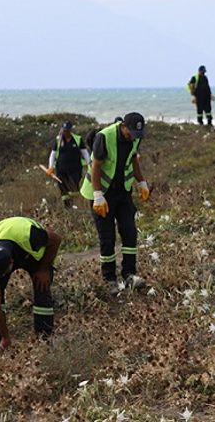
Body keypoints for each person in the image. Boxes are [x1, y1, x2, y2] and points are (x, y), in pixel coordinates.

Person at [80, 112, 150, 294]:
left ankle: (129, 274)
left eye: (136, 134)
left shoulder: (135, 138)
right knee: (107, 237)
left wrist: (141, 182)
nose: (132, 137)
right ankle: (109, 278)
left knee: (129, 231)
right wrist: (97, 195)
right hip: (102, 194)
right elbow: (96, 166)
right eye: (130, 133)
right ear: (123, 126)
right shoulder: (104, 137)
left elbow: (134, 159)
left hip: (123, 192)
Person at [0, 216, 61, 351]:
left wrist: (43, 268)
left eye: (4, 273)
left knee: (42, 285)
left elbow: (56, 239)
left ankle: (44, 337)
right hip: (9, 240)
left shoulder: (32, 236)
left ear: (12, 262)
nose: (2, 276)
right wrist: (5, 337)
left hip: (30, 250)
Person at [46, 120, 91, 208]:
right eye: (64, 130)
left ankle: (76, 204)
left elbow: (85, 153)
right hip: (61, 169)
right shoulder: (58, 140)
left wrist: (89, 164)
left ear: (70, 130)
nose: (65, 132)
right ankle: (67, 207)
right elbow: (53, 154)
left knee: (74, 188)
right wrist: (50, 167)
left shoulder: (77, 139)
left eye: (67, 130)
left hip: (75, 169)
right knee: (63, 189)